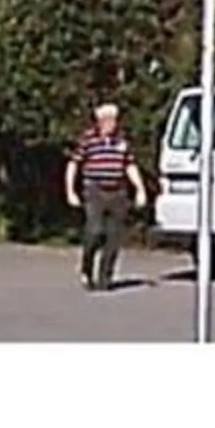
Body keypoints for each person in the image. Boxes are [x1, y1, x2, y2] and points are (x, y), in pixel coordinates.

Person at [64, 102, 145, 292]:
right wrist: (70, 191)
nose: (112, 124)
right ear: (99, 122)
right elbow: (73, 165)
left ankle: (105, 277)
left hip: (118, 191)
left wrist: (140, 189)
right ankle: (87, 268)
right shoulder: (88, 140)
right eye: (108, 120)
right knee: (94, 231)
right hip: (94, 190)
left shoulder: (121, 142)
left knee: (114, 236)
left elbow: (130, 166)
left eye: (114, 120)